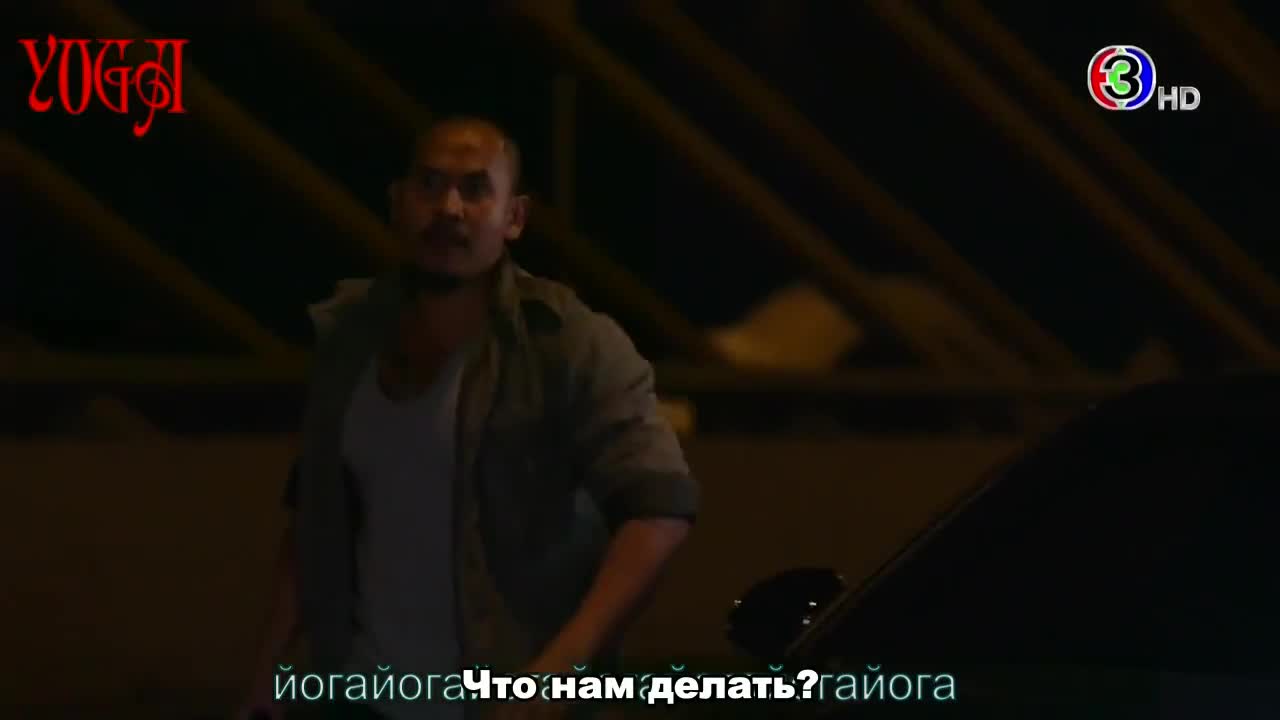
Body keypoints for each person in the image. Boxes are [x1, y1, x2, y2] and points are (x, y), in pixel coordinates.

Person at [236, 116, 698, 720]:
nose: (449, 208)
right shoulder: (349, 337)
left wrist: (559, 670)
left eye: (476, 189)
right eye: (430, 185)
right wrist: (269, 676)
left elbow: (660, 509)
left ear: (515, 217)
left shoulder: (567, 342)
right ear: (399, 202)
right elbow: (316, 518)